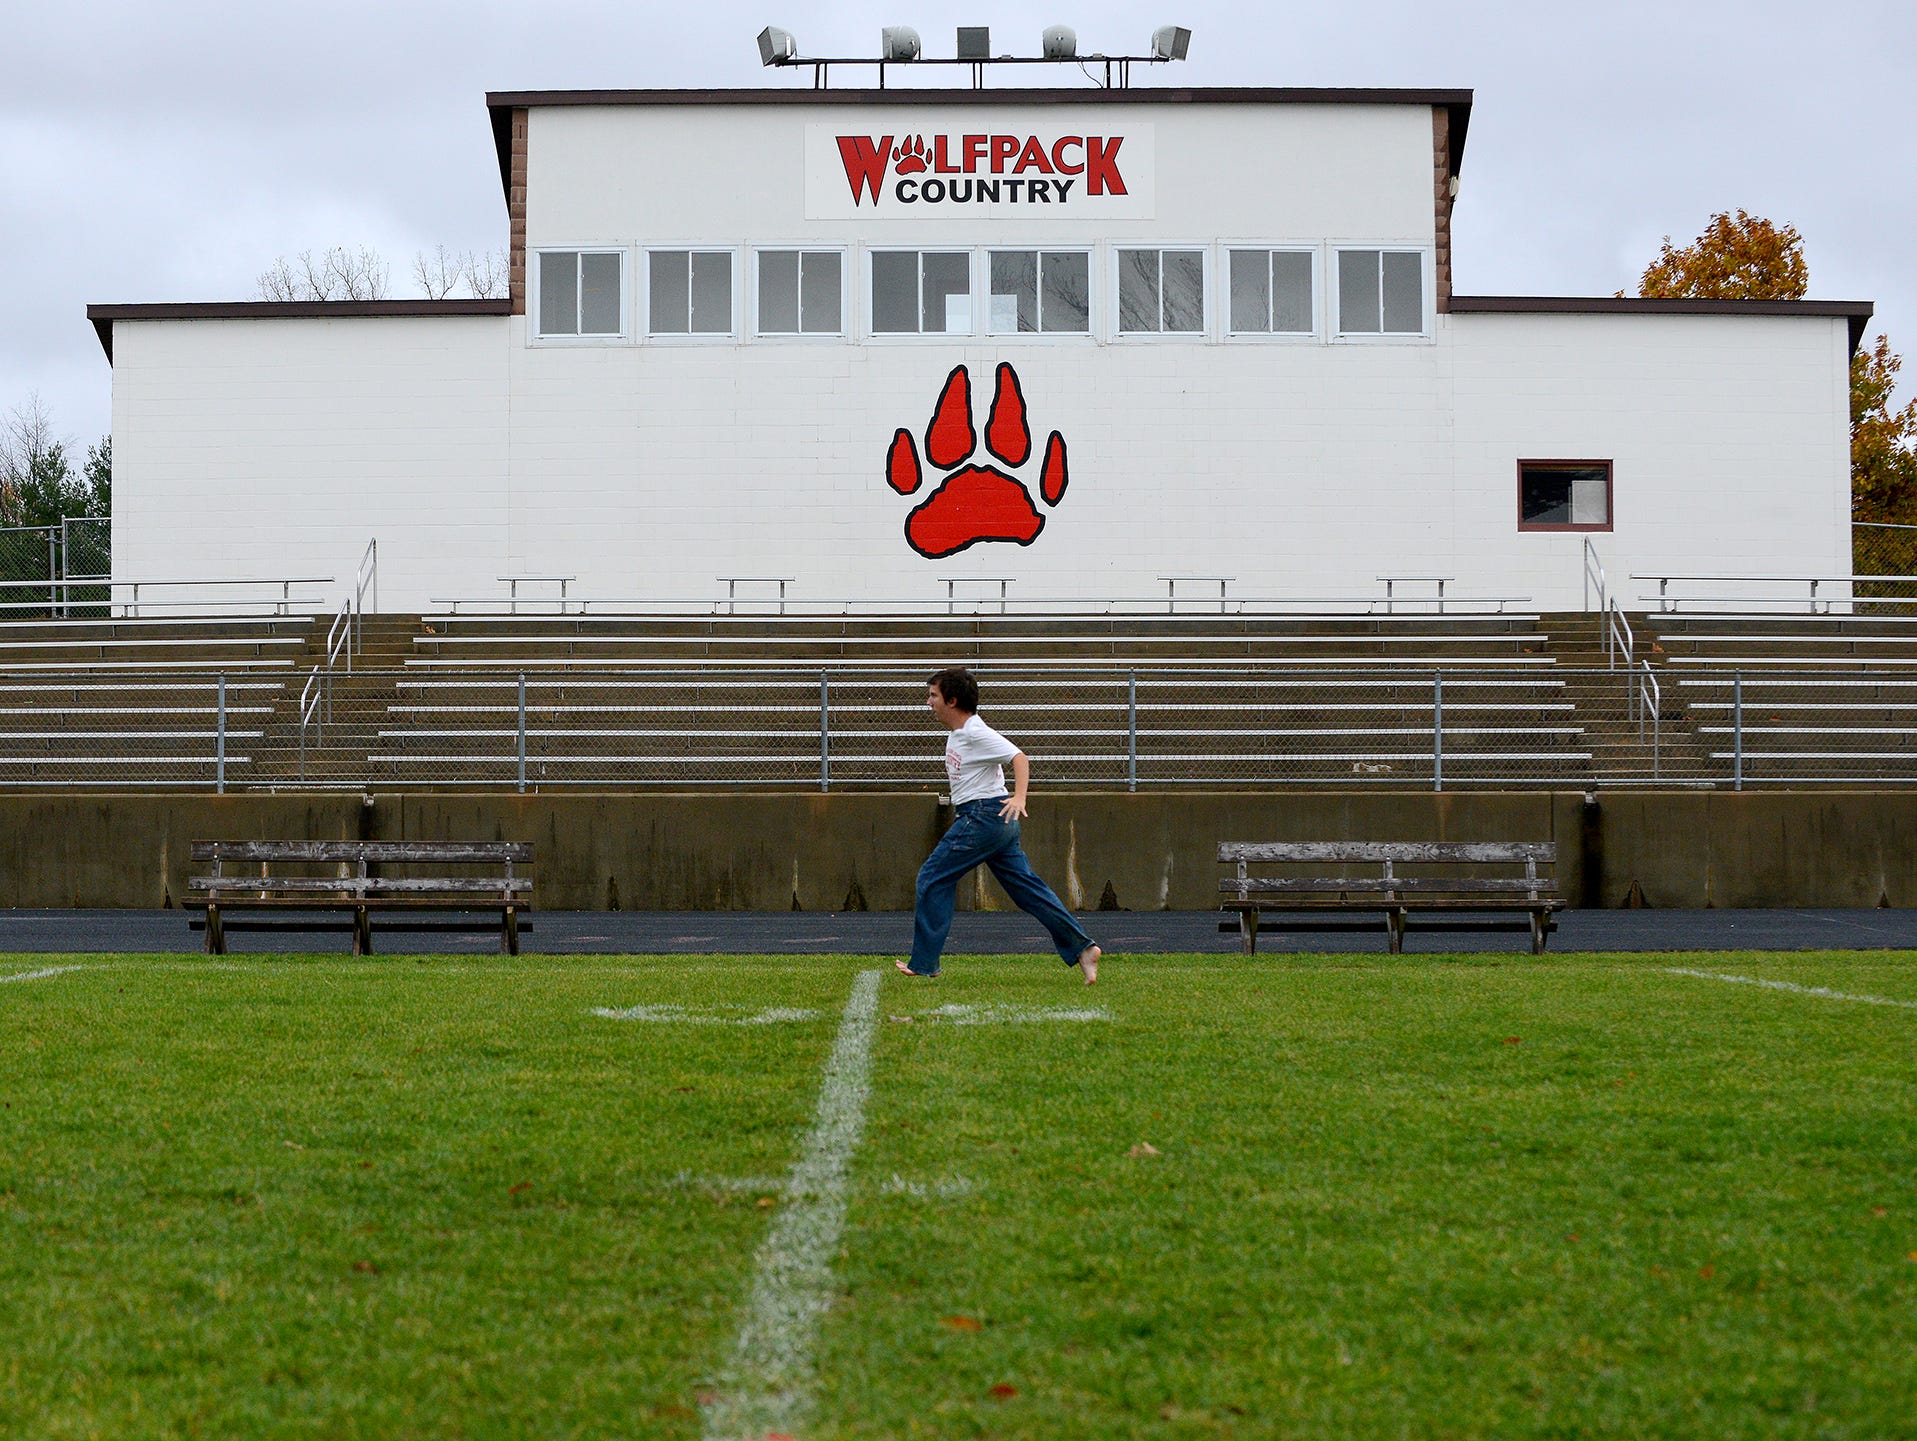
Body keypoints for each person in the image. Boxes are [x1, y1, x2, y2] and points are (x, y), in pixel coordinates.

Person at [898, 668, 1103, 983]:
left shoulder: (974, 732)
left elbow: (1019, 757)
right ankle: (1083, 948)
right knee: (1027, 891)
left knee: (932, 877)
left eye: (933, 696)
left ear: (952, 700)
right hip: (993, 820)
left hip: (983, 816)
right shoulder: (960, 733)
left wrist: (1019, 797)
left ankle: (925, 963)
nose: (929, 702)